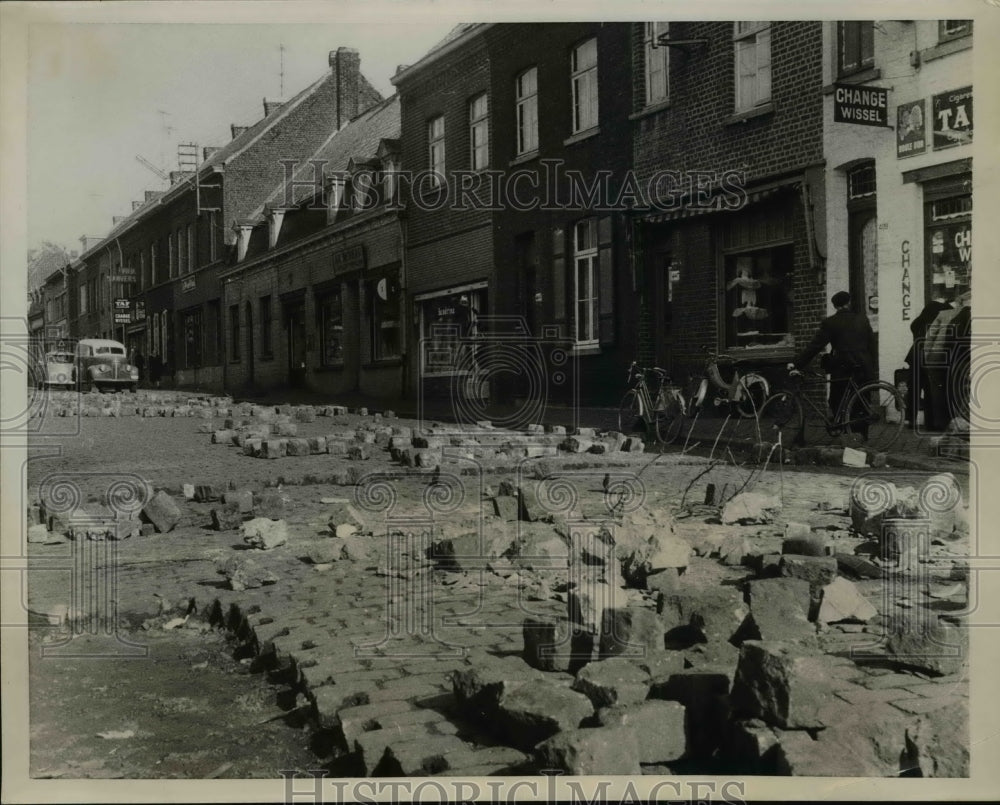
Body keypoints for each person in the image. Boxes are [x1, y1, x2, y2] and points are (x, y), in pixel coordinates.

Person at [788, 290, 877, 437]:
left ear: (835, 306)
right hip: (863, 366)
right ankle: (862, 434)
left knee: (836, 399)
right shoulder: (862, 319)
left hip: (843, 366)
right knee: (862, 399)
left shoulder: (830, 322)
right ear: (848, 303)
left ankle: (842, 429)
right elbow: (872, 345)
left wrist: (798, 363)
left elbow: (815, 346)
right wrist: (871, 366)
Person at [905, 288, 952, 429]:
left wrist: (918, 339)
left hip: (917, 352)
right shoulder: (948, 311)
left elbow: (913, 325)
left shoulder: (928, 309)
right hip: (932, 354)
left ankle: (910, 420)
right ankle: (932, 423)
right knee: (932, 388)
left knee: (914, 386)